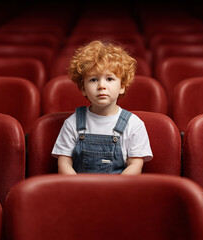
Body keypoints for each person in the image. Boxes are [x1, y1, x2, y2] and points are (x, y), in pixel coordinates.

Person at [51, 40, 153, 175]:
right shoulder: (72, 122)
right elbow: (64, 163)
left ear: (122, 86)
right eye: (93, 80)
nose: (101, 86)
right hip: (79, 190)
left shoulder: (134, 124)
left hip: (119, 190)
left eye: (109, 79)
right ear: (83, 89)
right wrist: (77, 188)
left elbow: (135, 166)